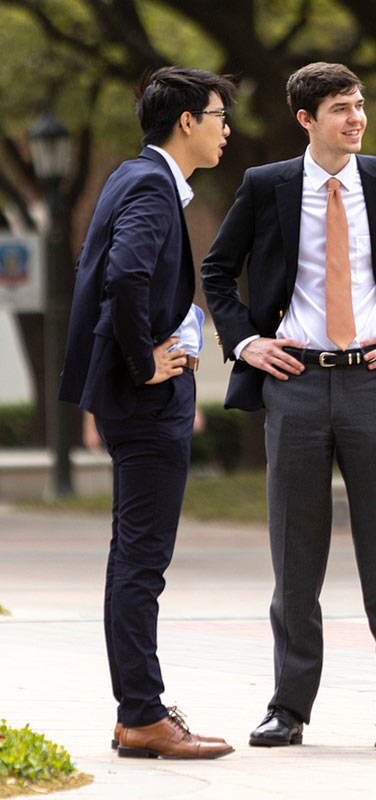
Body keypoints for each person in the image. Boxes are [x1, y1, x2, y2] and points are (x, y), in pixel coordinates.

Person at [201, 61, 376, 750]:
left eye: (360, 105)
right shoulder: (268, 187)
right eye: (341, 109)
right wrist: (246, 343)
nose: (357, 119)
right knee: (295, 555)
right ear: (305, 119)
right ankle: (289, 707)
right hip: (294, 383)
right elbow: (216, 271)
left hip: (373, 381)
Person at [59, 66, 237, 760]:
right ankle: (141, 714)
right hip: (146, 400)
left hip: (134, 397)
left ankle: (138, 711)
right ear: (187, 120)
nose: (228, 129)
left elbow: (106, 266)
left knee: (132, 557)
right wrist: (144, 363)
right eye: (220, 116)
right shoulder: (150, 185)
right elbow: (124, 274)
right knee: (141, 560)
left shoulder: (134, 180)